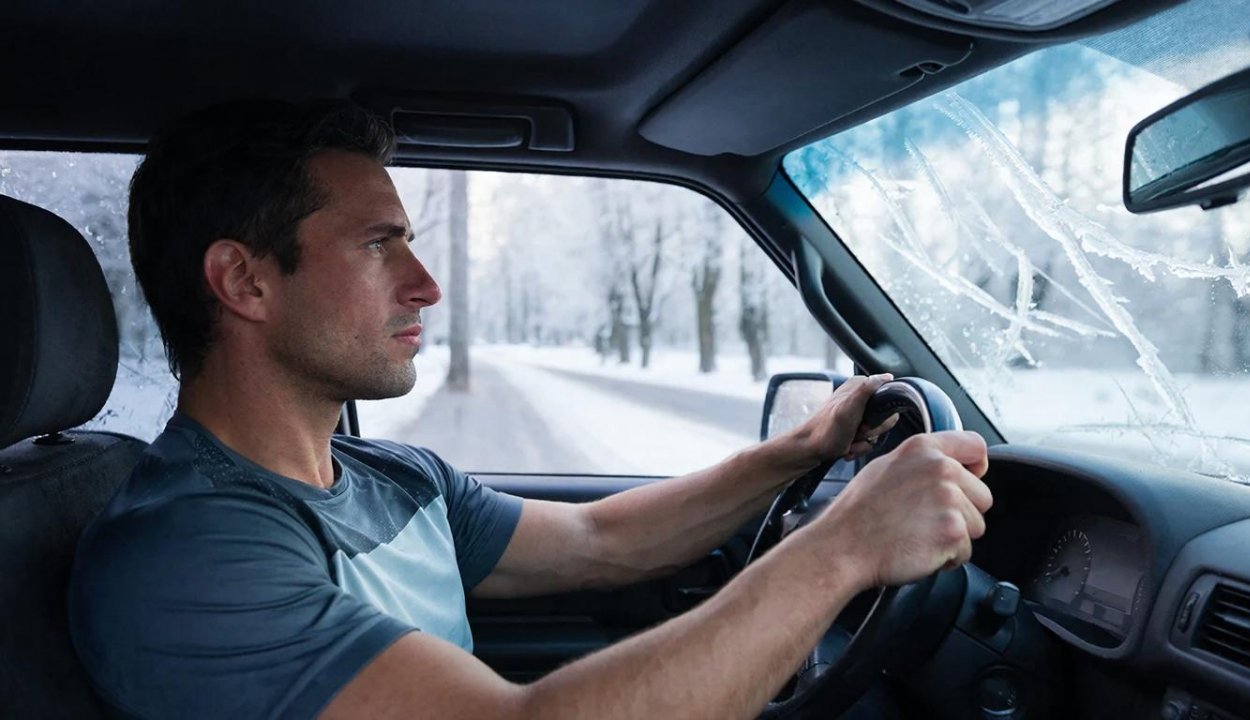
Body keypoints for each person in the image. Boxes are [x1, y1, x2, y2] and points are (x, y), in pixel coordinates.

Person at [67, 100, 992, 720]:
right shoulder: (185, 553)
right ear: (245, 281)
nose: (425, 286)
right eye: (380, 246)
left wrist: (801, 449)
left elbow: (600, 542)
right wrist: (844, 547)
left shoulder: (394, 477)